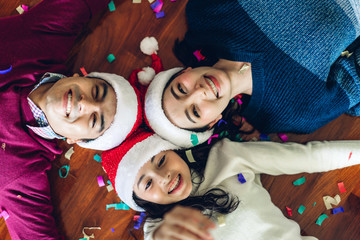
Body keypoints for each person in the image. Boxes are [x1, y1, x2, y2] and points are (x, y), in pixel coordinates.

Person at [0, 0, 144, 238]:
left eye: (94, 120)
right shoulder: (45, 38)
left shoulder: (22, 176)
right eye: (96, 91)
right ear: (81, 76)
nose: (84, 103)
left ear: (75, 140)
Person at [142, 0, 360, 148]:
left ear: (183, 72)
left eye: (181, 89)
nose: (198, 92)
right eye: (195, 111)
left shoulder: (207, 14)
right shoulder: (292, 112)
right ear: (212, 122)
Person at [101, 127, 360, 240]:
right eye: (147, 184)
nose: (163, 176)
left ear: (175, 151)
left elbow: (308, 156)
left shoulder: (227, 156)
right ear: (143, 202)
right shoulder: (158, 229)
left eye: (161, 161)